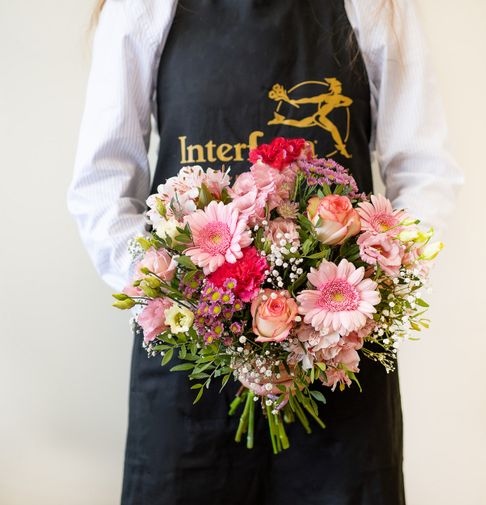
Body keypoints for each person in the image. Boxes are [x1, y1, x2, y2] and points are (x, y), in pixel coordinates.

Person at [67, 1, 463, 504]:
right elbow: (102, 183)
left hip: (339, 361)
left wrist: (365, 296)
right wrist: (176, 300)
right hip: (190, 367)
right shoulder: (142, 6)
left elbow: (426, 171)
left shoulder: (376, 6)